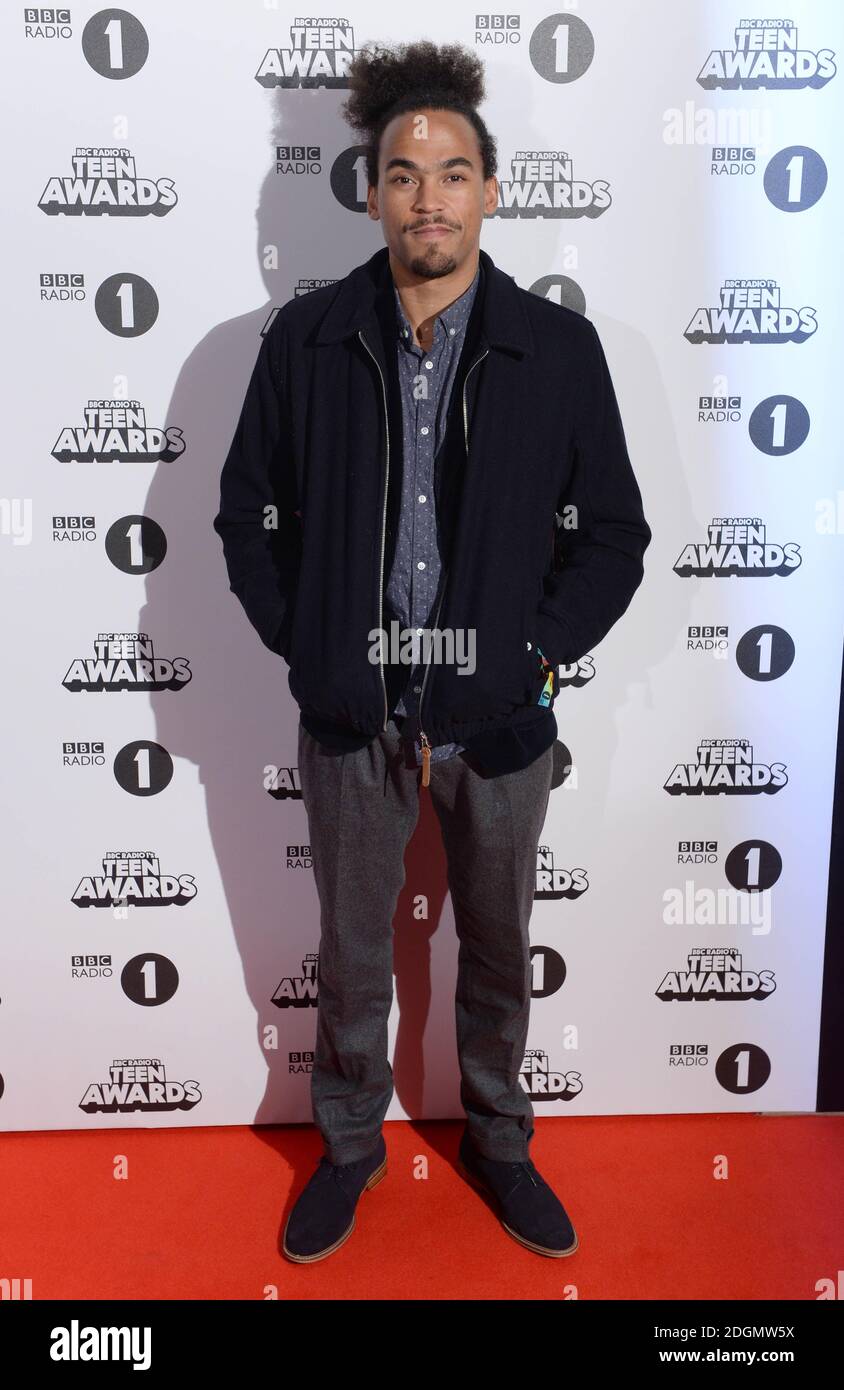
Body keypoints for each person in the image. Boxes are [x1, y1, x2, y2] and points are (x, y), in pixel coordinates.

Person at [213, 38, 651, 1264]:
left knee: (501, 951)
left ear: (490, 191)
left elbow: (614, 533)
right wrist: (308, 649)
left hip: (497, 719)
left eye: (454, 172)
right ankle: (349, 1146)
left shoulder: (556, 352)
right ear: (371, 191)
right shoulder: (306, 341)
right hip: (352, 712)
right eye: (404, 174)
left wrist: (530, 655)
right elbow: (248, 514)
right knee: (351, 959)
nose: (429, 197)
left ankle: (499, 1142)